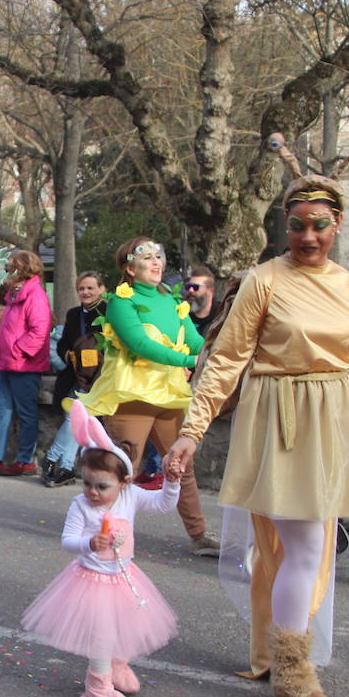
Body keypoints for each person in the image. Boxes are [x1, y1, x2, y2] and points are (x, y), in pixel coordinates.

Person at [165, 134, 349, 697]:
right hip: (277, 415)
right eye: (299, 224)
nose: (308, 236)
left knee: (313, 546)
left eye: (321, 226)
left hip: (334, 421)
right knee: (305, 545)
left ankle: (287, 658)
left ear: (337, 227)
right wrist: (191, 430)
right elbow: (225, 359)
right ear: (286, 225)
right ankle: (291, 671)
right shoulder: (263, 280)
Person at [21, 403, 178, 697]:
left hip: (124, 576)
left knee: (125, 625)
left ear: (124, 482)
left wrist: (171, 481)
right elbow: (68, 541)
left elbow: (163, 505)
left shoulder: (131, 496)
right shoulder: (81, 506)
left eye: (102, 486)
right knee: (103, 635)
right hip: (91, 580)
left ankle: (117, 666)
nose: (92, 492)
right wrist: (89, 544)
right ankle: (97, 687)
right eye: (87, 483)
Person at [73, 237, 219, 556]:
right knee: (123, 468)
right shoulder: (120, 301)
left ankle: (199, 535)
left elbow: (194, 340)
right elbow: (139, 343)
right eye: (147, 257)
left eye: (159, 256)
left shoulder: (170, 299)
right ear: (129, 267)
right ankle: (104, 534)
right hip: (132, 396)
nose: (157, 263)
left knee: (182, 465)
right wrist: (189, 361)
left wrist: (216, 350)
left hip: (168, 395)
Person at [0, 250, 52, 476]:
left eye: (9, 268)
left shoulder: (35, 296)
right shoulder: (15, 296)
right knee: (2, 411)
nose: (5, 272)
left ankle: (26, 460)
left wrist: (16, 351)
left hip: (24, 366)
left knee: (26, 414)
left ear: (21, 270)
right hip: (7, 364)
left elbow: (39, 331)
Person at [41, 271, 107, 487]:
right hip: (76, 375)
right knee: (76, 418)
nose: (86, 292)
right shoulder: (72, 314)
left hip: (100, 376)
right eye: (82, 288)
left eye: (90, 288)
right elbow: (62, 344)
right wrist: (70, 355)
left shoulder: (110, 311)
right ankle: (66, 467)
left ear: (101, 289)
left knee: (75, 418)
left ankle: (52, 458)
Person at [182, 265, 218, 335]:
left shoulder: (221, 317)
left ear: (210, 291)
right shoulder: (182, 314)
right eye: (188, 286)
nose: (190, 290)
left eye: (195, 287)